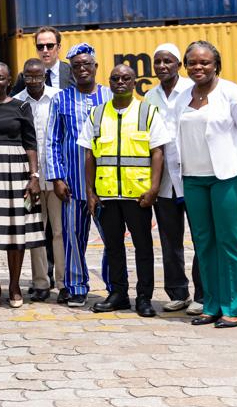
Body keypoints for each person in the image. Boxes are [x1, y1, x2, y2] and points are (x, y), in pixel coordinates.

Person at [172, 41, 237, 329]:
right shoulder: (183, 97)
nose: (198, 67)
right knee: (204, 243)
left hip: (227, 178)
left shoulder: (230, 92)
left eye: (205, 63)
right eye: (193, 63)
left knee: (230, 242)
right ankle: (211, 305)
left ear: (216, 65)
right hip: (194, 179)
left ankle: (236, 307)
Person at [81, 64, 170, 317]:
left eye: (126, 78)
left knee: (143, 247)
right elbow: (89, 155)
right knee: (113, 248)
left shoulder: (147, 111)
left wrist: (153, 188)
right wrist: (90, 192)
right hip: (107, 194)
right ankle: (118, 294)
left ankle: (144, 297)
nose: (120, 82)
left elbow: (158, 152)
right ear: (109, 82)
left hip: (138, 195)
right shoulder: (97, 114)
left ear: (134, 83)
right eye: (115, 78)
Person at [0, 63, 44, 309]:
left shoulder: (21, 107)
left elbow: (31, 143)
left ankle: (14, 285)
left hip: (16, 171)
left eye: (0, 78)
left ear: (9, 81)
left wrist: (34, 176)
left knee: (16, 232)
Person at [45, 44, 112, 309]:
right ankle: (76, 288)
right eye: (76, 66)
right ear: (71, 71)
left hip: (105, 184)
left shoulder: (109, 95)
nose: (82, 69)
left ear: (95, 67)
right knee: (73, 239)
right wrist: (57, 178)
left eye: (87, 65)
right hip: (72, 185)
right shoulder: (61, 99)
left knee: (112, 238)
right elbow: (52, 140)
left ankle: (114, 285)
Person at [145, 43, 204, 315]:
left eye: (167, 61)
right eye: (157, 62)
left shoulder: (191, 92)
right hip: (164, 180)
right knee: (170, 241)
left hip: (192, 176)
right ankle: (178, 292)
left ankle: (202, 295)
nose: (162, 66)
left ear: (178, 65)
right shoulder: (149, 98)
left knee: (201, 238)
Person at [14, 59, 62, 303]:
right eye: (29, 77)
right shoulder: (17, 102)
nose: (34, 81)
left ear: (46, 75)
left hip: (56, 176)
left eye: (38, 76)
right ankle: (41, 282)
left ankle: (64, 282)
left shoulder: (58, 97)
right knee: (36, 232)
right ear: (23, 76)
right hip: (29, 177)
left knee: (59, 231)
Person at [13, 26, 75, 94]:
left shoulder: (72, 72)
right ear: (36, 49)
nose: (45, 50)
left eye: (50, 46)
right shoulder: (25, 77)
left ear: (58, 47)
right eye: (40, 47)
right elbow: (13, 101)